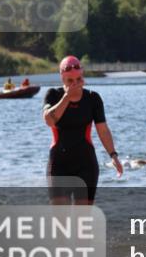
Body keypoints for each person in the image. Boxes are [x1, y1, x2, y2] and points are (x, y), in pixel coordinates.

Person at [42, 56, 123, 204]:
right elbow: (49, 120)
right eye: (70, 81)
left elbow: (103, 130)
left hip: (86, 164)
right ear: (62, 78)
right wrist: (67, 97)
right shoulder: (53, 95)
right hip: (59, 164)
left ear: (82, 75)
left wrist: (113, 155)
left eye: (78, 79)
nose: (75, 84)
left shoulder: (92, 98)